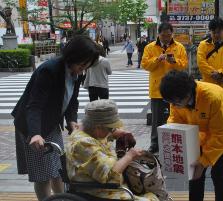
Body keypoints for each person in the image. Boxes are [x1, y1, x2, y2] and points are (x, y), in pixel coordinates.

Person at [11, 35, 100, 201]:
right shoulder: (49, 70)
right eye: (81, 63)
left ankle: (61, 198)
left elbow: (72, 99)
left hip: (51, 123)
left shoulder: (77, 72)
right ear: (72, 57)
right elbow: (34, 105)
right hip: (31, 125)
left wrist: (72, 121)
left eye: (87, 65)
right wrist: (35, 133)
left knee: (59, 169)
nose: (83, 68)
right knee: (42, 174)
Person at [160, 70, 223, 201]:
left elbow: (221, 133)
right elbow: (175, 121)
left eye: (176, 102)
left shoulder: (213, 97)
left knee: (220, 174)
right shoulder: (176, 99)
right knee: (194, 174)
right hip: (200, 136)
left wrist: (204, 162)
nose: (173, 105)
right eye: (171, 102)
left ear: (187, 94)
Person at [66, 100, 159, 201]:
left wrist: (120, 132)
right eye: (111, 129)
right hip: (100, 192)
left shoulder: (87, 129)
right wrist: (129, 156)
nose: (112, 131)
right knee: (154, 197)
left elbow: (108, 132)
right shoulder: (84, 144)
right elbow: (110, 176)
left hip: (107, 186)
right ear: (98, 127)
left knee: (152, 190)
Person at [141, 22, 188, 153]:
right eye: (163, 35)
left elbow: (183, 65)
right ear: (158, 34)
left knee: (176, 117)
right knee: (157, 119)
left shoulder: (179, 47)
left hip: (174, 90)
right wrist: (157, 59)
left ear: (172, 34)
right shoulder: (150, 47)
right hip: (157, 89)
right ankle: (155, 143)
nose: (166, 38)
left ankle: (175, 143)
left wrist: (174, 62)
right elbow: (145, 65)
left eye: (168, 35)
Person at [197, 17, 223, 99]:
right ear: (210, 31)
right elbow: (201, 63)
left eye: (219, 32)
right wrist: (215, 74)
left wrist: (220, 73)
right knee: (209, 111)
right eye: (214, 32)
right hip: (209, 87)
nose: (216, 35)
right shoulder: (203, 45)